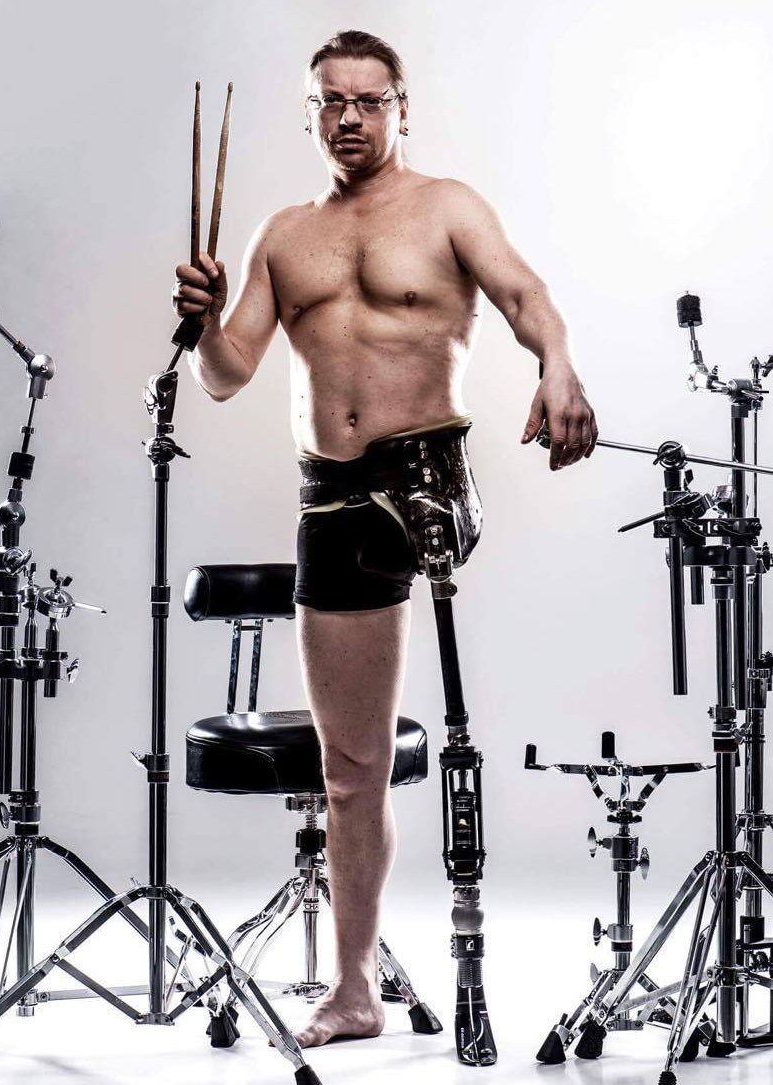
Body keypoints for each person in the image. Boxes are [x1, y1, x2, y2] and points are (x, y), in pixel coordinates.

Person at [173, 29, 598, 1048]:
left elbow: (524, 296)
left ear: (403, 108)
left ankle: (445, 949)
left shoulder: (447, 208)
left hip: (425, 483)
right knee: (350, 762)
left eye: (369, 100)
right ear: (311, 113)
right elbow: (226, 374)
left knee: (419, 740)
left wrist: (558, 365)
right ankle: (354, 987)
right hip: (331, 498)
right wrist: (201, 325)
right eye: (332, 101)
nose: (350, 117)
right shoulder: (286, 236)